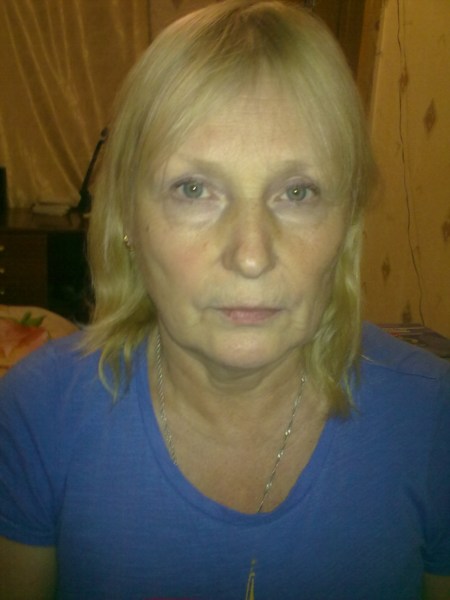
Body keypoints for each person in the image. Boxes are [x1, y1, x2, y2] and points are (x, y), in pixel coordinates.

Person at [1, 1, 449, 598]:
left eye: (297, 192)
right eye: (194, 189)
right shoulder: (37, 413)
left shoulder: (433, 420)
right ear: (127, 216)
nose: (251, 255)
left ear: (346, 222)